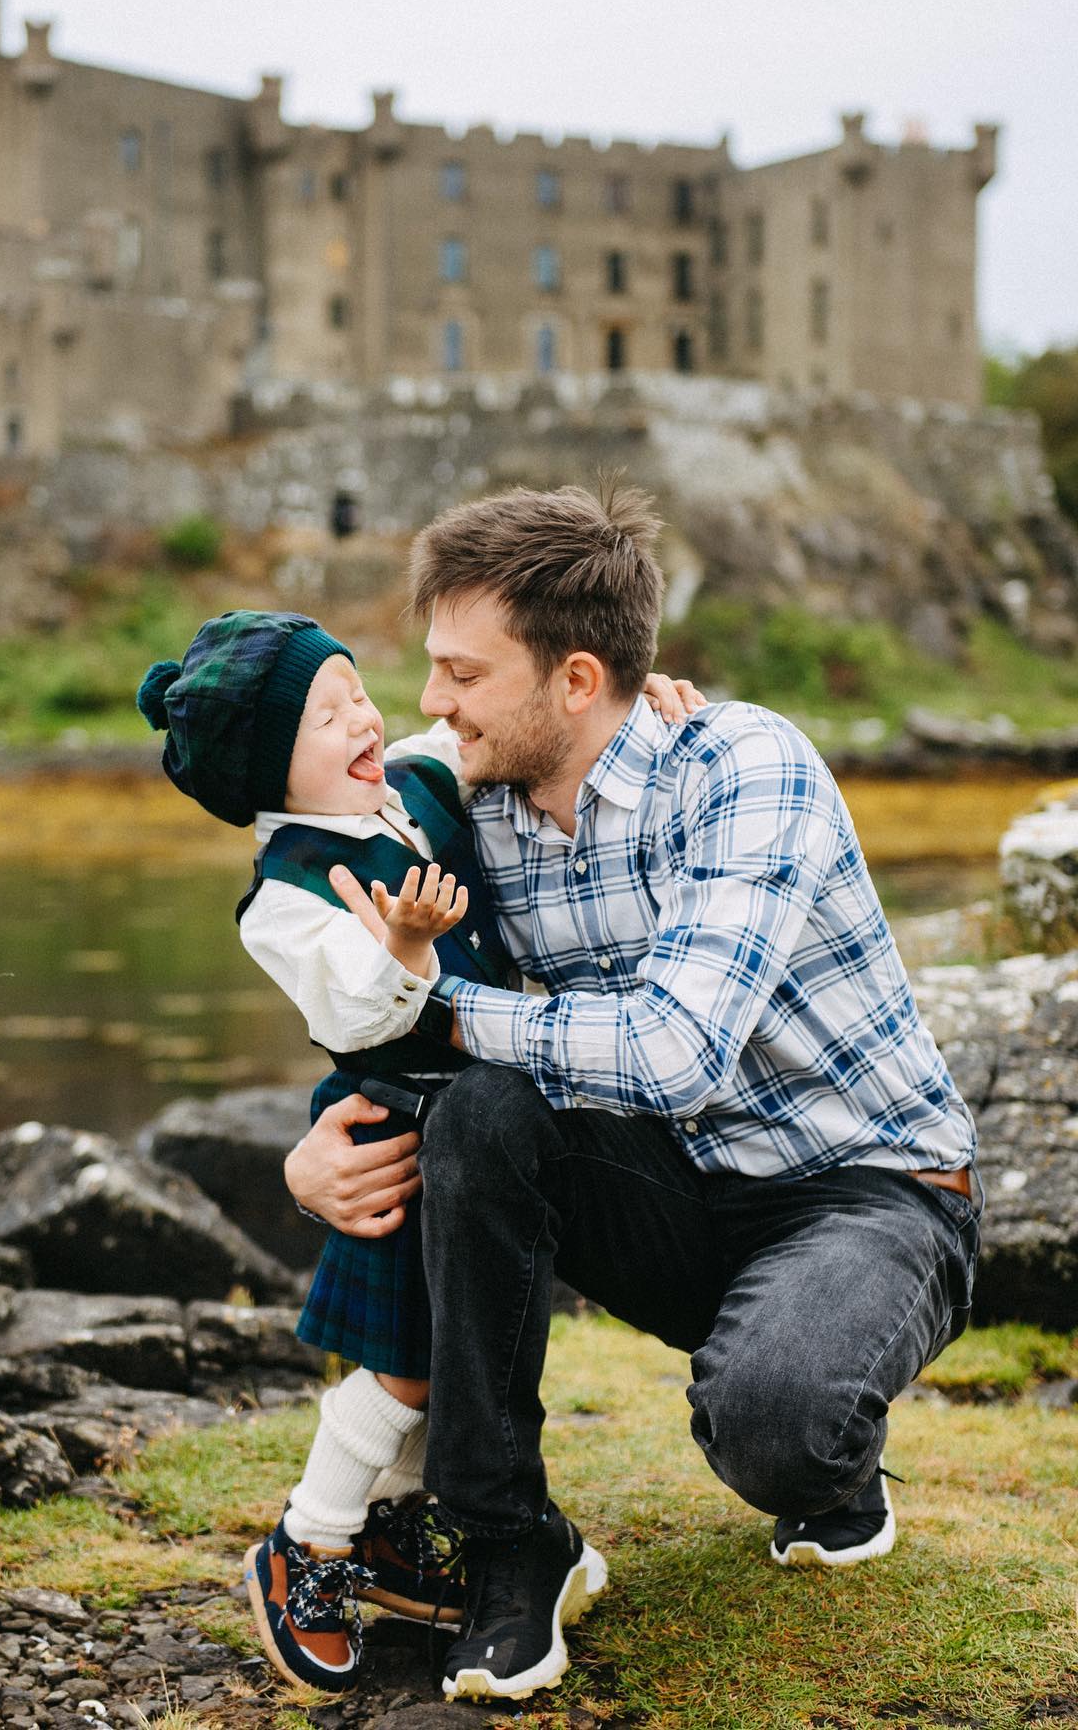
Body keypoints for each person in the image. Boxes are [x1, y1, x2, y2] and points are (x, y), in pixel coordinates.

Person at [285, 481, 982, 1704]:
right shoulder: (466, 800)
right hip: (678, 1194)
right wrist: (304, 1163)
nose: (432, 703)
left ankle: (830, 1454)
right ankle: (509, 1546)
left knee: (775, 1425)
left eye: (462, 672)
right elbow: (324, 911)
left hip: (868, 1191)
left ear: (575, 680)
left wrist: (444, 1010)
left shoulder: (746, 765)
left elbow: (675, 1056)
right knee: (483, 1114)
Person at [137, 607, 696, 1694]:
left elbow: (498, 731)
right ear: (264, 769)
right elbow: (349, 1011)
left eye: (357, 692)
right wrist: (399, 948)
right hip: (400, 1126)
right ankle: (311, 1542)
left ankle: (397, 1533)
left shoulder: (412, 782)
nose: (364, 717)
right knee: (409, 1367)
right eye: (326, 715)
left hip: (489, 1125)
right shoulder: (286, 893)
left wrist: (643, 698)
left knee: (462, 1358)